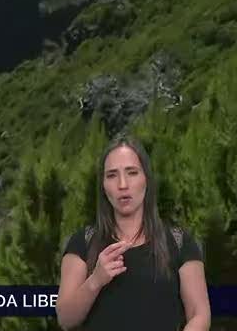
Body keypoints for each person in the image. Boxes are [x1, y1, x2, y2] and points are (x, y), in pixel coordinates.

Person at [55, 138, 211, 330]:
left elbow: (199, 314)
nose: (122, 184)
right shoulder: (83, 242)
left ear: (146, 178)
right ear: (103, 186)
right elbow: (65, 319)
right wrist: (95, 281)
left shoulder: (180, 242)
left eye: (132, 172)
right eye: (112, 175)